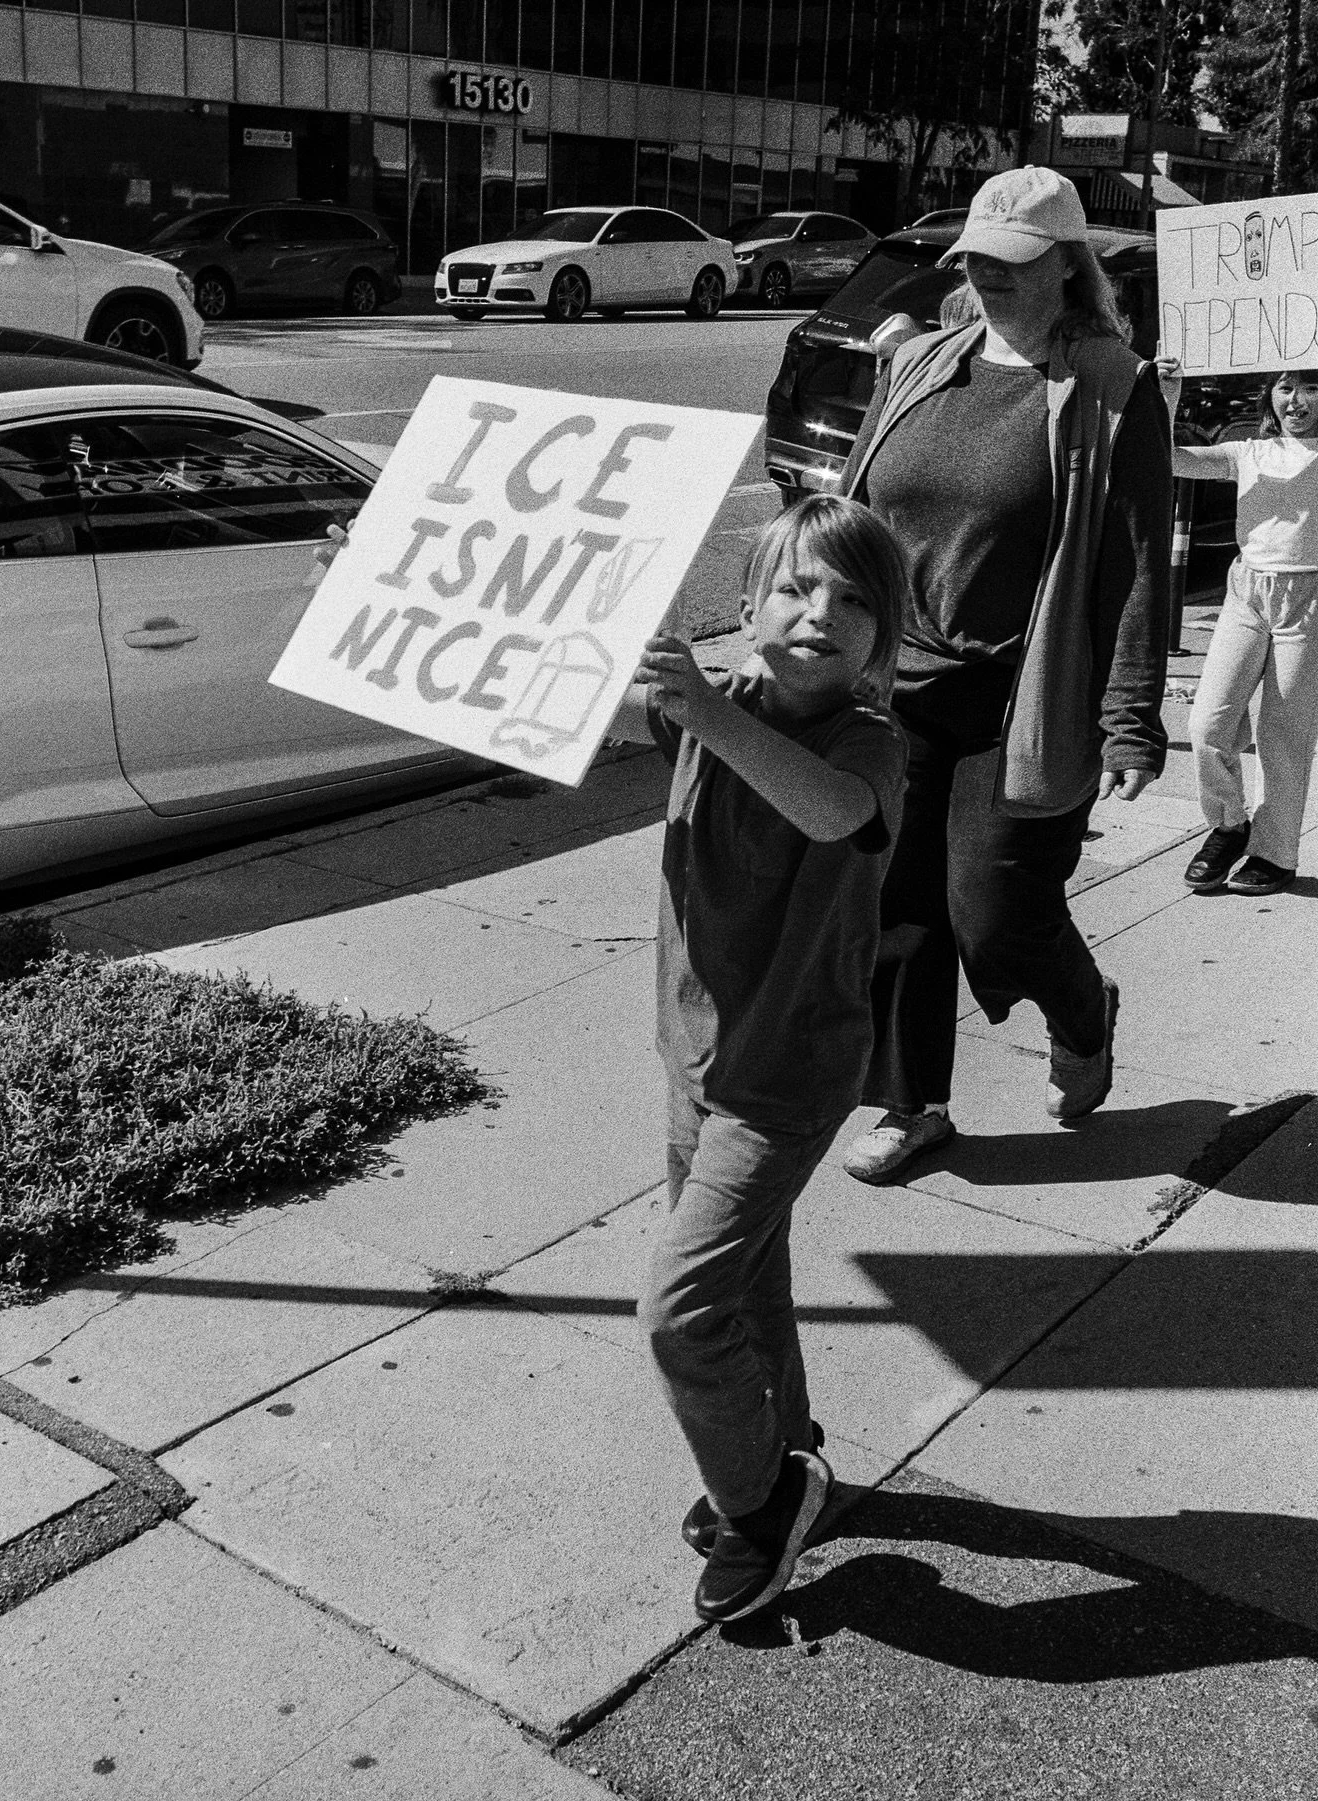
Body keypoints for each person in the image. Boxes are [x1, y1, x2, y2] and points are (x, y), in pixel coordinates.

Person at [835, 165, 1173, 1185]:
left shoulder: (1112, 387)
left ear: (1069, 264)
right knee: (897, 907)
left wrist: (1130, 716)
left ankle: (1083, 1010)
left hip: (1024, 700)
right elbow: (855, 511)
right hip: (894, 688)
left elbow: (1136, 566)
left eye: (1013, 260)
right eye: (975, 257)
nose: (987, 275)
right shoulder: (921, 363)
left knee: (997, 913)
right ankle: (912, 1104)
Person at [606, 495, 909, 1623]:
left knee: (681, 1313)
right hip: (692, 1055)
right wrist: (383, 593)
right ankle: (786, 1445)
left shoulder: (869, 743)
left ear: (883, 636)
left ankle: (761, 1500)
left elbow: (833, 812)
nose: (821, 612)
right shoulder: (709, 705)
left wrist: (700, 707)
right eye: (795, 586)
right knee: (748, 1281)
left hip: (785, 1080)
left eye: (854, 599)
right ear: (747, 604)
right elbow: (547, 705)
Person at [1155, 360, 1318, 896]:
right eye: (1286, 387)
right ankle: (1228, 825)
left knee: (1284, 736)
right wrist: (1168, 395)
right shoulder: (1247, 453)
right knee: (1208, 724)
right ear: (1269, 395)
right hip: (1246, 593)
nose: (1296, 401)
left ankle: (1274, 854)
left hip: (1309, 601)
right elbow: (1168, 457)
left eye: (1312, 388)